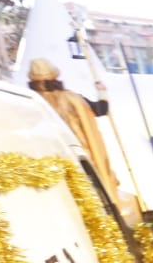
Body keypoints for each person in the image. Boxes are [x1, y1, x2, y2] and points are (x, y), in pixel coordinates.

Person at [25, 58, 118, 195]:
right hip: (83, 156)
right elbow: (101, 109)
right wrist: (102, 92)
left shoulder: (30, 102)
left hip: (53, 160)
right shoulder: (73, 98)